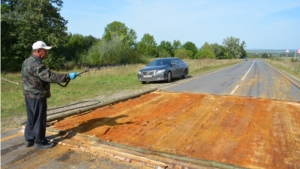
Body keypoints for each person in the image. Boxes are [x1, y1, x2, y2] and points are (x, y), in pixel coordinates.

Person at [21, 41, 79, 149]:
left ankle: (29, 140)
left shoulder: (26, 61)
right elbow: (49, 76)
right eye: (45, 51)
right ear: (38, 51)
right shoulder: (37, 64)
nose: (47, 53)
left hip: (28, 95)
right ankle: (39, 142)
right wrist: (67, 76)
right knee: (39, 119)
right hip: (37, 96)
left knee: (32, 118)